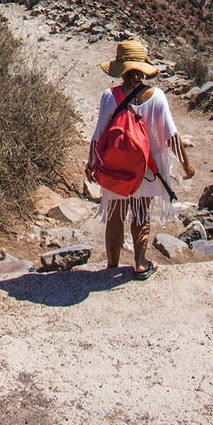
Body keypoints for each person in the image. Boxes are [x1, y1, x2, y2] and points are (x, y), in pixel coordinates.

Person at [86, 38, 194, 282]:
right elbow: (171, 135)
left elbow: (98, 134)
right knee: (141, 214)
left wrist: (91, 162)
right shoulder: (156, 97)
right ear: (143, 66)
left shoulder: (109, 95)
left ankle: (112, 265)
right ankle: (140, 264)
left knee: (115, 215)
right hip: (145, 169)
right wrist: (187, 164)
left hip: (115, 167)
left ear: (120, 68)